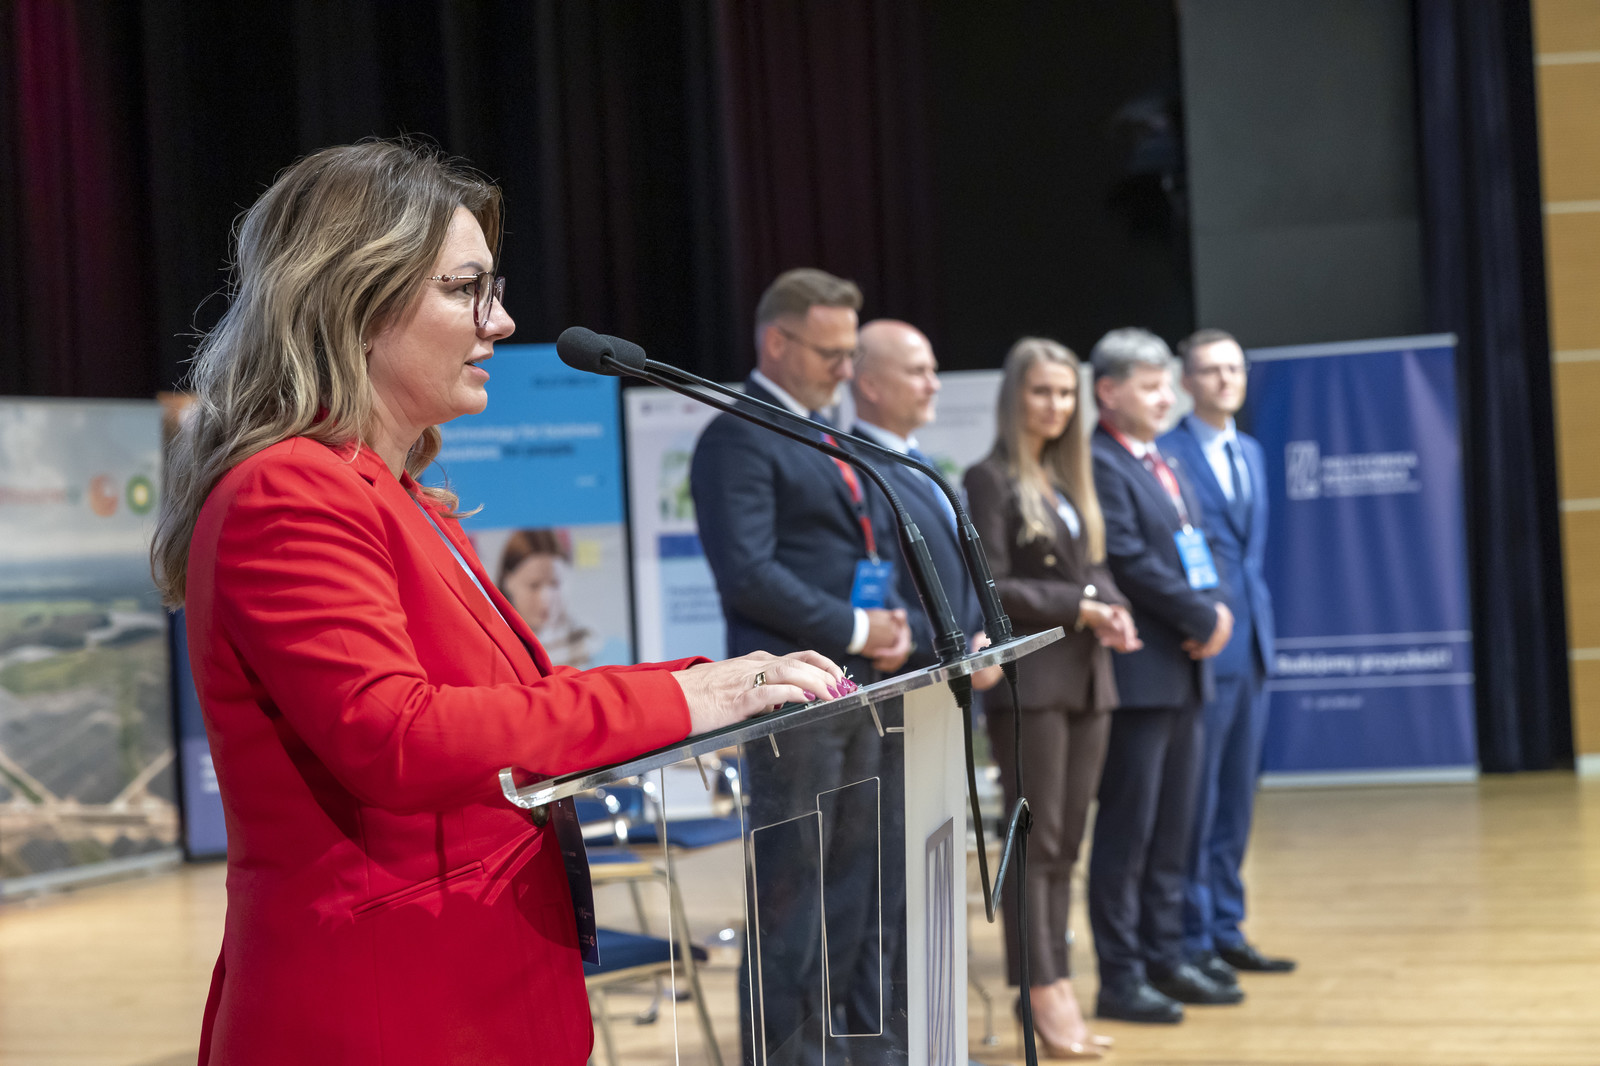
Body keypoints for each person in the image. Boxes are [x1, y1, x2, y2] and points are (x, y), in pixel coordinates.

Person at [149, 140, 844, 1066]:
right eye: (465, 289)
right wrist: (685, 699)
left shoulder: (404, 498)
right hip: (387, 1014)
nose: (503, 321)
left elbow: (515, 706)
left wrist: (704, 684)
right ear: (353, 300)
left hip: (475, 992)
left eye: (494, 288)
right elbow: (396, 735)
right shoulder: (290, 491)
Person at [690, 269, 914, 1064]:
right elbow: (749, 574)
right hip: (791, 706)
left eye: (852, 354)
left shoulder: (821, 433)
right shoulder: (738, 437)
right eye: (831, 353)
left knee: (851, 894)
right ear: (777, 343)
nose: (847, 370)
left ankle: (842, 1050)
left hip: (853, 691)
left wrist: (886, 628)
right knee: (793, 904)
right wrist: (857, 624)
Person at [963, 338, 1140, 1059]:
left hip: (1089, 679)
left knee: (1065, 844)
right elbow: (995, 584)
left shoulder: (1070, 481)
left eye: (1067, 393)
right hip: (1031, 685)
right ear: (1015, 397)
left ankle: (1057, 978)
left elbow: (1095, 567)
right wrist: (1081, 606)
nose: (1057, 406)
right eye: (1042, 391)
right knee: (1034, 844)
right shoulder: (989, 478)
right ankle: (1037, 988)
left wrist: (1114, 609)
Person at [1085, 327, 1239, 1024]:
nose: (1165, 397)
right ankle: (1121, 976)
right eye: (1149, 386)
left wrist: (1215, 609)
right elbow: (1127, 558)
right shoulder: (1099, 462)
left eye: (1166, 384)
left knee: (1176, 827)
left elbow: (1199, 548)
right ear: (1108, 391)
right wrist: (1200, 615)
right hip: (1141, 674)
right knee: (1131, 833)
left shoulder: (1161, 460)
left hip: (1185, 667)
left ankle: (1166, 955)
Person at [1160, 329, 1295, 980]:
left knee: (1237, 800)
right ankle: (1191, 936)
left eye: (1234, 368)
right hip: (1201, 645)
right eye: (1211, 370)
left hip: (1253, 644)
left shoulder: (1252, 451)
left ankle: (1226, 926)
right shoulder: (1167, 454)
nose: (1225, 380)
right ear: (1186, 381)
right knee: (1196, 800)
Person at [850, 319, 999, 684]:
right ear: (870, 385)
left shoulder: (923, 464)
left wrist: (983, 636)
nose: (934, 385)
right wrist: (955, 646)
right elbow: (878, 586)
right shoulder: (856, 469)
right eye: (918, 372)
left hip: (960, 676)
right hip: (909, 679)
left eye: (933, 371)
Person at [497, 528, 594, 668]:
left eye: (555, 584)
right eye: (534, 585)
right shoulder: (493, 647)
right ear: (507, 581)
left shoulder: (588, 645)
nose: (545, 599)